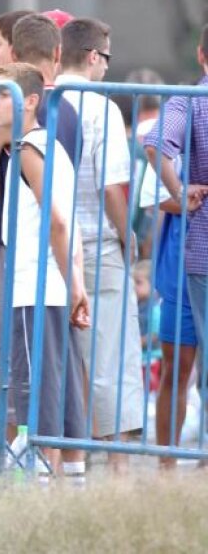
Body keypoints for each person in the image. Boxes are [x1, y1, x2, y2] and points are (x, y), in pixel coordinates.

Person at [0, 63, 91, 477]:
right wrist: (77, 284)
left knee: (37, 392)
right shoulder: (45, 148)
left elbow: (59, 222)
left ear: (29, 101)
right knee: (58, 391)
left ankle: (45, 480)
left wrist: (73, 285)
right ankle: (69, 479)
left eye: (0, 95)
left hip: (35, 285)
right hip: (50, 285)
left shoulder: (29, 150)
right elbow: (71, 222)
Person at [55, 17, 143, 472]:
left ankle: (68, 461)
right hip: (96, 246)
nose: (107, 67)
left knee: (62, 361)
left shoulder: (44, 99)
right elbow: (113, 188)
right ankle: (119, 467)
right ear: (92, 56)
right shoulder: (99, 107)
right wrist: (128, 234)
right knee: (110, 357)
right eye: (106, 58)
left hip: (52, 248)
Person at [145, 24, 208, 461]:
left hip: (191, 254)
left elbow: (155, 145)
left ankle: (167, 467)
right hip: (190, 256)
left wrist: (179, 191)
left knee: (175, 371)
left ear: (201, 55)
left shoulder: (188, 100)